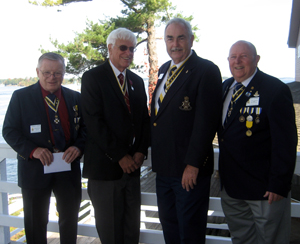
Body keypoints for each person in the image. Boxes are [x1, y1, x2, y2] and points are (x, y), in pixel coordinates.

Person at [150, 18, 223, 244]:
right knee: (169, 226)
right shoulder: (164, 69)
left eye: (181, 37)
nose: (175, 44)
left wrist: (192, 165)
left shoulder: (206, 70)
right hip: (163, 169)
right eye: (170, 38)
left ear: (191, 39)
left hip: (188, 172)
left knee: (189, 231)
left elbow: (206, 123)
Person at [218, 40, 297, 244]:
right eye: (233, 57)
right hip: (233, 188)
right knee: (242, 239)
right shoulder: (225, 87)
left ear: (256, 59)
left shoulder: (274, 89)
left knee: (272, 240)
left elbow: (286, 142)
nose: (237, 61)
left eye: (243, 56)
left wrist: (279, 184)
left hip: (265, 190)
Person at [2, 52, 86, 244]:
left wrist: (79, 147)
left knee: (69, 221)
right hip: (34, 170)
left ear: (64, 73)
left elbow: (86, 129)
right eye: (47, 72)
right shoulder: (21, 97)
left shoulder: (75, 98)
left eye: (57, 73)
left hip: (67, 169)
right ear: (37, 72)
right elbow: (9, 131)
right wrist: (33, 150)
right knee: (35, 223)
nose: (52, 77)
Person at [81, 27, 150, 244]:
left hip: (132, 171)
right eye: (123, 48)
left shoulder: (137, 82)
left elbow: (143, 121)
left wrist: (140, 150)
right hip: (106, 170)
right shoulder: (93, 78)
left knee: (131, 231)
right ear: (110, 48)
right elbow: (94, 122)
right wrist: (121, 155)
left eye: (132, 49)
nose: (129, 53)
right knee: (111, 233)